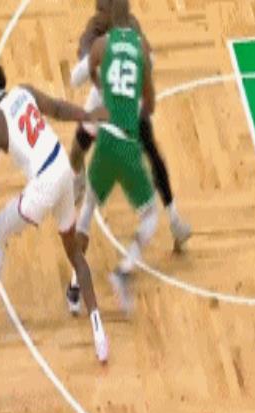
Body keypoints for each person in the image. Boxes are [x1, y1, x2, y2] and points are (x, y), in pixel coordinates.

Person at [0, 62, 110, 362]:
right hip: (62, 167)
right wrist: (87, 116)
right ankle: (99, 333)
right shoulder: (23, 91)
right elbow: (57, 108)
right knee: (75, 253)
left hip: (45, 183)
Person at [68, 0, 191, 250]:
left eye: (102, 9)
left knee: (152, 156)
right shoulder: (94, 31)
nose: (98, 12)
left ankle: (175, 219)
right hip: (107, 100)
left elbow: (80, 74)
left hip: (123, 103)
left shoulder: (128, 28)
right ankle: (79, 181)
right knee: (78, 150)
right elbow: (86, 66)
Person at [72, 0, 159, 313]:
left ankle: (75, 284)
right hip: (124, 136)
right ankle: (123, 270)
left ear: (110, 12)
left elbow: (75, 77)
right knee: (150, 215)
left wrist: (99, 79)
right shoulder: (140, 45)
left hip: (106, 135)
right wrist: (131, 100)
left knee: (87, 210)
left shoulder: (101, 43)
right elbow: (150, 104)